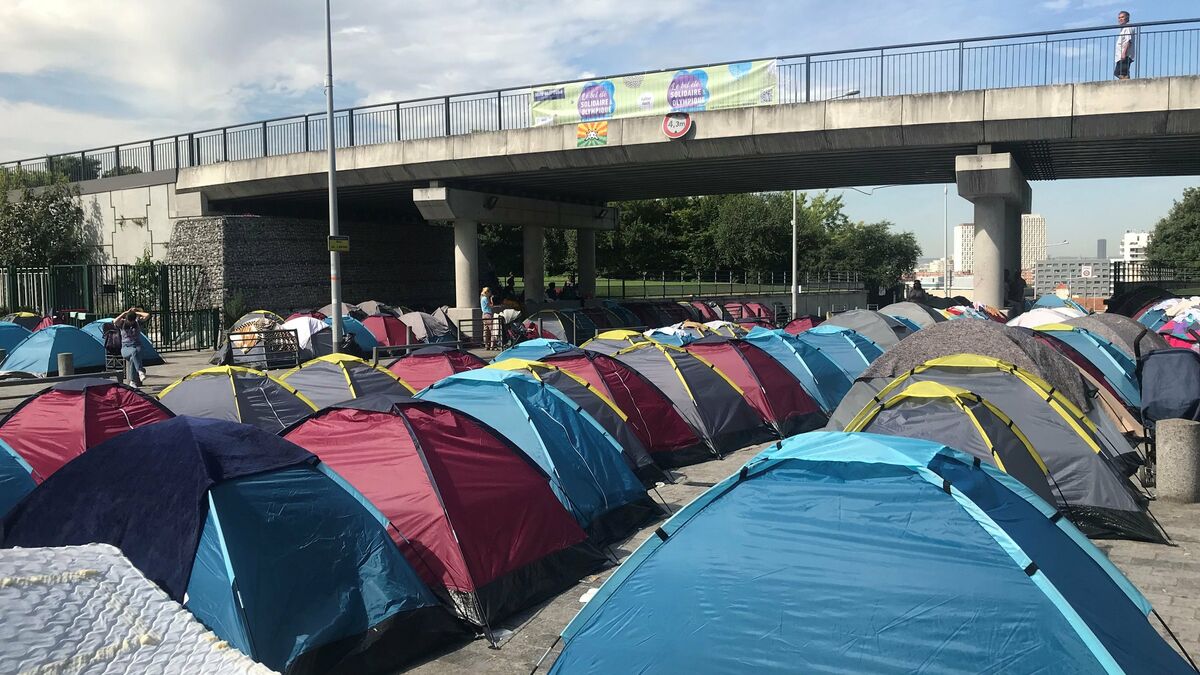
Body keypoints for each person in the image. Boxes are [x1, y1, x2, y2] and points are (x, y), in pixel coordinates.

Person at [114, 306, 150, 386]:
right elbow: (115, 321)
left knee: (133, 358)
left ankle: (132, 382)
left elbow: (147, 315)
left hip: (137, 345)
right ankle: (140, 371)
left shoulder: (137, 322)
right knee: (134, 352)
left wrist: (135, 312)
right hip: (126, 348)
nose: (130, 323)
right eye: (129, 321)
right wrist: (125, 313)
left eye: (132, 321)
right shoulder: (122, 323)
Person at [1115, 11, 1135, 80]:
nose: (1120, 19)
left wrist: (1124, 53)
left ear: (1127, 18)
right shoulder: (1124, 28)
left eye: (1122, 17)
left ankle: (1127, 83)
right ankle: (1126, 82)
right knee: (1123, 73)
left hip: (1124, 56)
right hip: (1123, 56)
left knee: (1118, 73)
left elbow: (1128, 41)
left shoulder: (1127, 27)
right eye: (1119, 18)